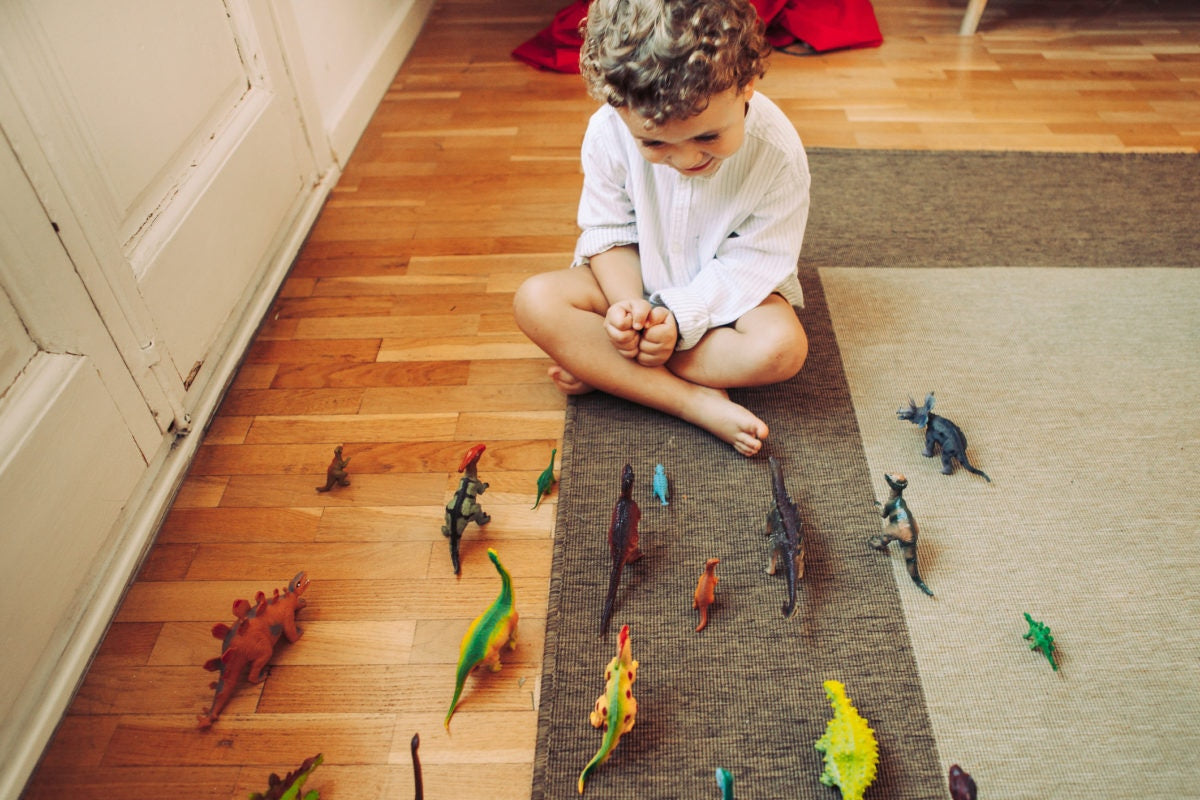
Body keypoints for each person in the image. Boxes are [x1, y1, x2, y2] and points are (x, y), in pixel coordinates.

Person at [513, 0, 810, 457]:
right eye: (653, 142)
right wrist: (629, 307)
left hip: (724, 300)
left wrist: (676, 318)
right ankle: (691, 402)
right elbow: (608, 228)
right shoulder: (607, 131)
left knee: (782, 349)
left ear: (747, 85)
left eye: (708, 137)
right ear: (617, 107)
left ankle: (610, 371)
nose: (688, 158)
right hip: (630, 280)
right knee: (536, 300)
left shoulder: (778, 154)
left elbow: (756, 263)